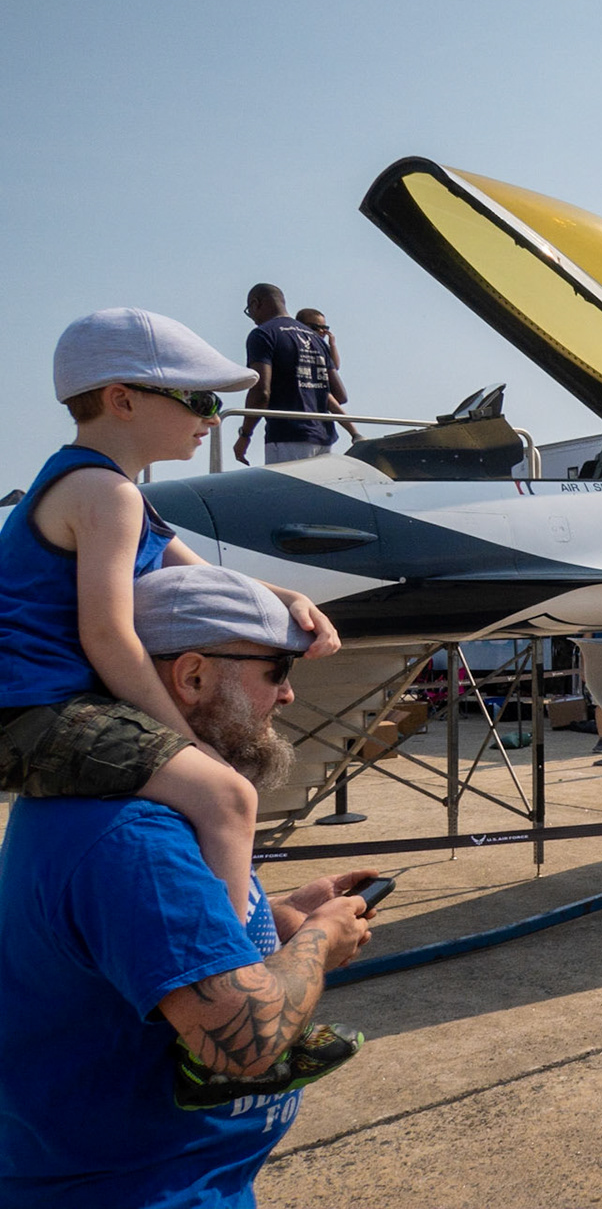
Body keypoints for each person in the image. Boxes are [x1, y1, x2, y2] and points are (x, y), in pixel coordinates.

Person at [0, 563, 376, 1208]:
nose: (286, 696)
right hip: (136, 1191)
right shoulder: (134, 833)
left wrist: (279, 923)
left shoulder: (159, 805)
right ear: (193, 676)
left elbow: (156, 943)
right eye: (275, 671)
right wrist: (318, 941)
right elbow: (247, 1042)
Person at [1, 308, 340, 921]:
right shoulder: (107, 494)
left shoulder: (107, 489)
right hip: (34, 710)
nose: (213, 418)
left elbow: (200, 576)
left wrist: (288, 599)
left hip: (43, 704)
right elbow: (106, 635)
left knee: (213, 786)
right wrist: (184, 743)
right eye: (199, 399)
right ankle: (241, 975)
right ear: (122, 400)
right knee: (227, 795)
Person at [234, 284, 346, 466]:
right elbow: (339, 395)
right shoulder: (317, 339)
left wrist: (245, 435)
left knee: (288, 494)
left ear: (255, 304)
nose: (252, 318)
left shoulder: (263, 334)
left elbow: (261, 392)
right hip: (324, 438)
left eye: (250, 311)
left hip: (287, 437)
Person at [293, 308, 362, 443]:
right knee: (328, 399)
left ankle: (354, 433)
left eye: (324, 328)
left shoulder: (321, 346)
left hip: (319, 382)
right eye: (315, 327)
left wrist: (332, 345)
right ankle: (354, 432)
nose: (321, 332)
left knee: (330, 400)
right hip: (304, 382)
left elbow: (334, 366)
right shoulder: (297, 341)